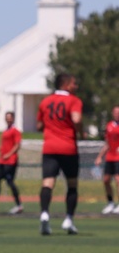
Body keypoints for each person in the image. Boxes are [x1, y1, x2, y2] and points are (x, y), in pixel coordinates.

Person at [36, 73, 83, 235]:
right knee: (72, 184)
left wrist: (51, 128)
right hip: (68, 147)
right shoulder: (74, 101)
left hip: (49, 148)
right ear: (66, 85)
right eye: (74, 83)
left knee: (47, 183)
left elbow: (39, 125)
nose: (76, 87)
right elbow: (76, 120)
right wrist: (81, 131)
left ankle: (44, 214)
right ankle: (69, 219)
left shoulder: (45, 101)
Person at [95, 104, 119, 215]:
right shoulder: (109, 126)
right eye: (115, 112)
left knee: (118, 180)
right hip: (110, 157)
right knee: (106, 180)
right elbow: (107, 144)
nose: (117, 114)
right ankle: (110, 203)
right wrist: (100, 156)